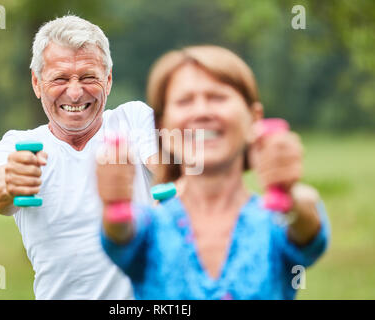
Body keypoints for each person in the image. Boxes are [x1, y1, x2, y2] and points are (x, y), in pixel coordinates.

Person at [98, 45, 331, 299]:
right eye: (185, 101)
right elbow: (119, 234)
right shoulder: (150, 228)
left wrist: (289, 195)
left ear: (254, 119)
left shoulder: (274, 222)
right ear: (162, 126)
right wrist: (115, 205)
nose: (201, 112)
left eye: (217, 97)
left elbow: (308, 231)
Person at [0, 15, 158, 299]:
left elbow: (171, 168)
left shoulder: (134, 120)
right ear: (37, 83)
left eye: (89, 77)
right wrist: (11, 183)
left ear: (109, 80)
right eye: (61, 78)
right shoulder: (18, 144)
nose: (76, 93)